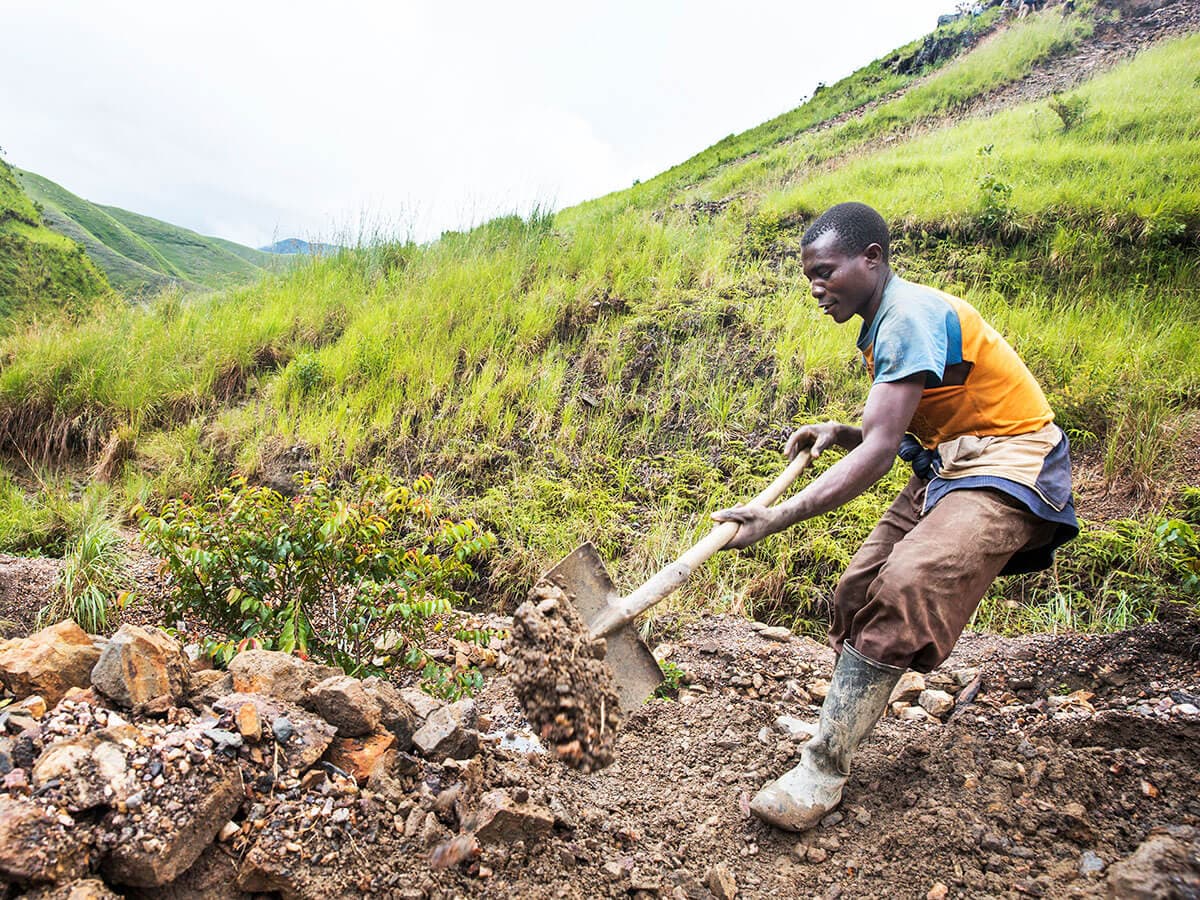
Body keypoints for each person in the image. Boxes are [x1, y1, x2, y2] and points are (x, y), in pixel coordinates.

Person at [711, 202, 1078, 832]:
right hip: (947, 462)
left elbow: (884, 451)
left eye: (825, 271)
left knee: (906, 585)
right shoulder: (887, 317)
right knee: (857, 588)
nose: (816, 288)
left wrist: (776, 517)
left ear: (872, 259)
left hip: (1008, 462)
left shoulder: (905, 316)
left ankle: (823, 766)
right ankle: (842, 717)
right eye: (809, 277)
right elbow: (894, 427)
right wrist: (846, 430)